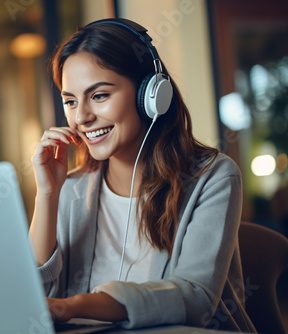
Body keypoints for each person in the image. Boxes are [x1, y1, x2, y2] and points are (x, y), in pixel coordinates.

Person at [29, 18, 257, 332]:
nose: (81, 117)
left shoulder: (212, 176)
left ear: (151, 95)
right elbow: (32, 298)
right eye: (70, 101)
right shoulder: (72, 188)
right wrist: (48, 195)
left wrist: (73, 307)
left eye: (99, 96)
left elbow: (195, 298)